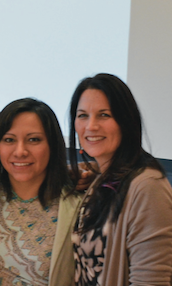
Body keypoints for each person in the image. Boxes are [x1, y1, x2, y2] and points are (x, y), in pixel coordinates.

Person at [68, 73, 172, 285]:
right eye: (82, 115)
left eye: (104, 115)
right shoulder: (101, 179)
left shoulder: (148, 186)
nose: (91, 126)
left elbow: (151, 280)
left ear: (126, 120)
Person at [0, 98, 81, 286]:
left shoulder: (78, 207)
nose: (20, 151)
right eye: (9, 140)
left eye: (34, 140)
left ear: (53, 145)